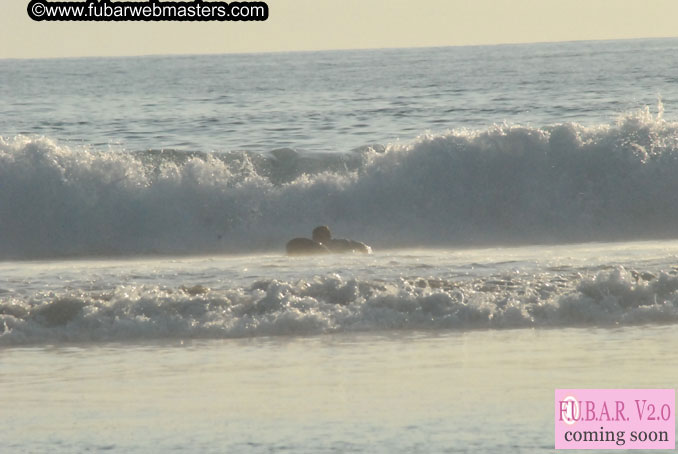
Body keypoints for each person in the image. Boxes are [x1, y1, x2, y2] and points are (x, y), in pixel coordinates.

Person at [286, 226, 371, 255]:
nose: (316, 238)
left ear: (329, 236)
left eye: (320, 236)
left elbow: (362, 246)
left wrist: (364, 255)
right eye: (315, 236)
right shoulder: (314, 247)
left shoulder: (339, 243)